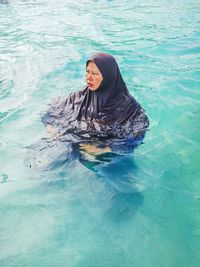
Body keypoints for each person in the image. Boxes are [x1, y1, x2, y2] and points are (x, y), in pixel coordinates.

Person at [42, 52, 149, 157]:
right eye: (87, 71)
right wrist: (51, 129)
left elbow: (137, 137)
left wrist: (105, 149)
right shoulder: (80, 96)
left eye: (94, 74)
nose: (88, 77)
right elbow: (51, 111)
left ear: (108, 76)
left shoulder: (129, 107)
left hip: (110, 157)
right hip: (75, 146)